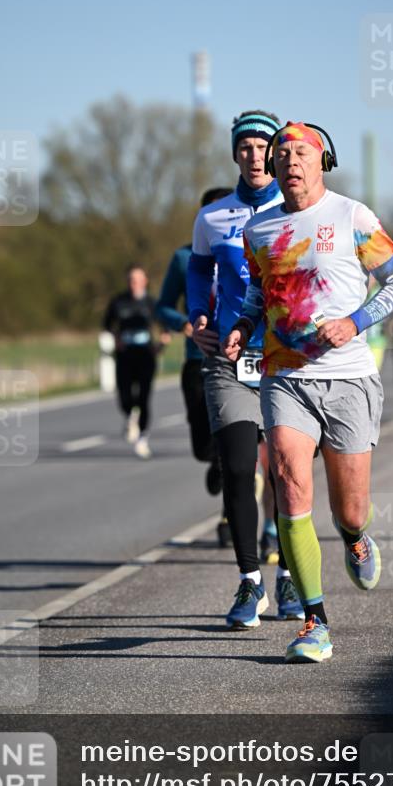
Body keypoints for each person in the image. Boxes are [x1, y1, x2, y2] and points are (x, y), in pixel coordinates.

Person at [224, 121, 393, 663]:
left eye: (300, 152)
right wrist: (240, 326)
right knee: (287, 484)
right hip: (285, 378)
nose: (289, 161)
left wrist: (355, 321)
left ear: (321, 159)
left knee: (349, 508)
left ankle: (354, 536)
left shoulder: (353, 216)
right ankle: (314, 621)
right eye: (281, 154)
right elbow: (262, 294)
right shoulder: (259, 229)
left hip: (350, 377)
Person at [186, 110, 304, 627]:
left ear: (275, 153)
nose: (255, 157)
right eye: (246, 148)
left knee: (285, 473)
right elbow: (196, 267)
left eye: (263, 148)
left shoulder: (297, 209)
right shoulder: (214, 216)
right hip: (230, 359)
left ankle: (289, 580)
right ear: (234, 153)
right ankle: (249, 583)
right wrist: (198, 316)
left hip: (286, 358)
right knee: (237, 467)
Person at [156, 187, 232, 542]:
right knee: (205, 443)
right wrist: (182, 323)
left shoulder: (243, 250)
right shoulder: (184, 258)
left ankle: (231, 518)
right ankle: (215, 460)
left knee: (238, 442)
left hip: (236, 359)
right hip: (195, 358)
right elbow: (162, 306)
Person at [103, 264, 167, 459]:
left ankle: (143, 438)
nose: (135, 284)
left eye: (138, 280)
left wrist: (160, 346)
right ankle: (131, 415)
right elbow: (107, 325)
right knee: (124, 396)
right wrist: (116, 339)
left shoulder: (151, 303)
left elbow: (165, 328)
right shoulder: (118, 302)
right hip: (125, 354)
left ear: (145, 281)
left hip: (146, 355)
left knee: (144, 397)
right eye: (131, 280)